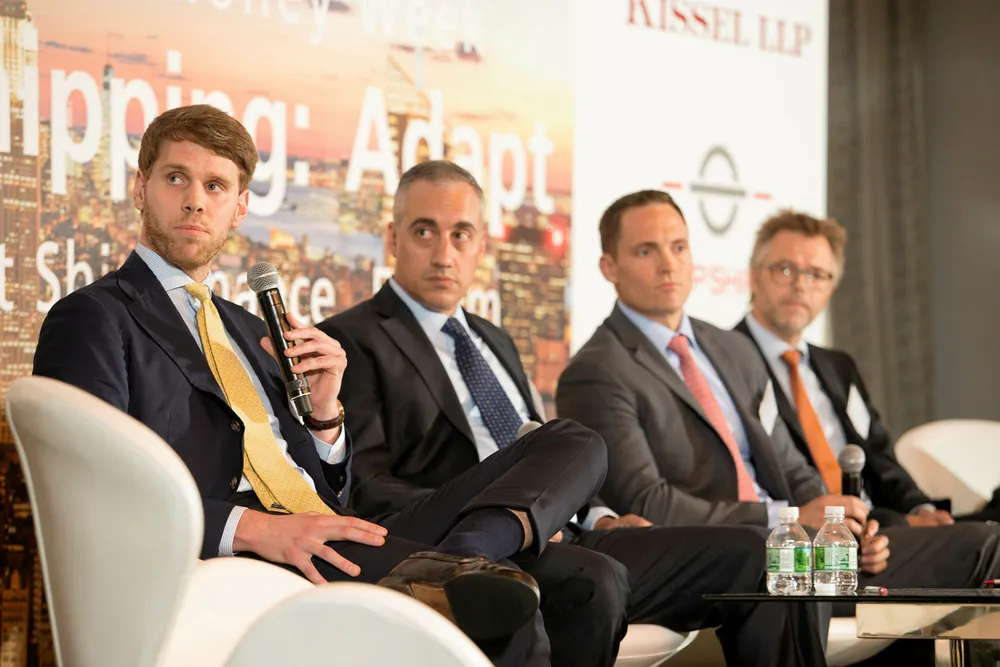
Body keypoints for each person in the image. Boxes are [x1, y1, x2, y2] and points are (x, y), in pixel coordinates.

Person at [31, 104, 613, 667]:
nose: (194, 200)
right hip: (250, 549)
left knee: (576, 446)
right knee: (505, 610)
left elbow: (326, 487)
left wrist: (326, 415)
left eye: (215, 186)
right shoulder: (94, 316)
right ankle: (454, 572)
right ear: (141, 189)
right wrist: (256, 529)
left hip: (339, 528)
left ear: (239, 208)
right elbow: (97, 485)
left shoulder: (250, 328)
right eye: (176, 178)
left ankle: (464, 554)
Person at [318, 161, 831, 667]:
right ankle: (475, 549)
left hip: (565, 531)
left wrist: (599, 515)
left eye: (461, 235)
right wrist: (508, 517)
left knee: (759, 554)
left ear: (481, 245)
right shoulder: (351, 339)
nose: (443, 254)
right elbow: (368, 488)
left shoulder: (493, 339)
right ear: (393, 238)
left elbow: (540, 455)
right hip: (455, 549)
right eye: (424, 232)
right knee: (594, 576)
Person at [556, 189, 1000, 604]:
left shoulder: (732, 349)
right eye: (645, 251)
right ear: (609, 268)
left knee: (986, 543)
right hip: (729, 555)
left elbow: (791, 466)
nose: (668, 265)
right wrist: (788, 520)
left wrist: (839, 526)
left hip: (798, 545)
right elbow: (648, 504)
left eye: (679, 247)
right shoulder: (597, 370)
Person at [734, 209, 999, 526]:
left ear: (831, 287)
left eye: (816, 274)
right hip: (806, 532)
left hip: (881, 525)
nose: (801, 285)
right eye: (785, 269)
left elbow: (878, 456)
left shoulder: (837, 367)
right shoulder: (725, 360)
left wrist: (920, 510)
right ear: (754, 276)